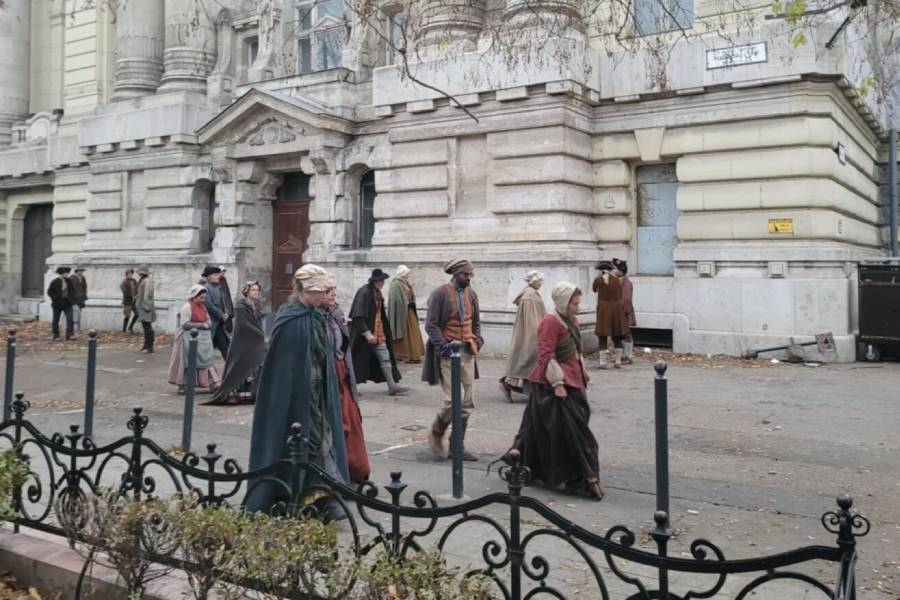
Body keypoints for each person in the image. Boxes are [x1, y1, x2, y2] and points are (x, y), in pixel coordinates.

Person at [246, 264, 348, 519]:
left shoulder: (317, 316)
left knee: (321, 442)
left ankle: (320, 497)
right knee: (298, 444)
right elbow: (282, 368)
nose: (325, 295)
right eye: (320, 291)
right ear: (305, 290)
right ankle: (293, 497)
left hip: (317, 394)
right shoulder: (290, 319)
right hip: (293, 397)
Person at [499, 282, 604, 500]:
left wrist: (582, 373)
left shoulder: (571, 320)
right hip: (551, 387)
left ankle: (527, 465)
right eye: (574, 303)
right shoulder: (550, 322)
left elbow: (576, 352)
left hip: (573, 381)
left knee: (543, 430)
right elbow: (546, 355)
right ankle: (577, 475)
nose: (578, 307)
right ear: (564, 302)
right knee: (567, 432)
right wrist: (557, 384)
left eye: (578, 303)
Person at [423, 258, 483, 461]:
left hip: (468, 352)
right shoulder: (439, 294)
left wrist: (478, 338)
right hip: (448, 354)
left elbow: (476, 322)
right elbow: (431, 325)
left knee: (467, 402)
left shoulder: (471, 294)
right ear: (456, 274)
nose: (469, 278)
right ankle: (437, 431)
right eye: (466, 274)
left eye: (470, 274)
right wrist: (443, 346)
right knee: (452, 401)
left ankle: (457, 446)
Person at [323, 280, 370, 483]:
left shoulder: (336, 313)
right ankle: (336, 475)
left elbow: (343, 345)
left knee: (350, 421)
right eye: (328, 290)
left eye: (334, 289)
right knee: (336, 424)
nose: (334, 294)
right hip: (328, 376)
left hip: (342, 373)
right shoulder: (315, 318)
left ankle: (355, 470)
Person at [349, 269, 408, 396]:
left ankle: (392, 386)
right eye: (379, 280)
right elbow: (358, 316)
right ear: (374, 281)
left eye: (382, 280)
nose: (381, 283)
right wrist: (367, 333)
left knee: (385, 357)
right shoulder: (364, 292)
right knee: (357, 362)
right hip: (362, 337)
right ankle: (351, 388)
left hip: (378, 333)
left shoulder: (377, 293)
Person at [207, 281, 266, 406]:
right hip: (243, 341)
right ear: (247, 292)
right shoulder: (241, 306)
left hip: (255, 342)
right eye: (253, 290)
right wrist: (258, 333)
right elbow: (243, 324)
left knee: (255, 364)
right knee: (240, 365)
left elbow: (258, 321)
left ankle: (251, 394)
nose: (256, 292)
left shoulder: (256, 305)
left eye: (257, 290)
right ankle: (235, 394)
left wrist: (259, 334)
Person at [499, 270, 546, 402]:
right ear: (533, 281)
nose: (541, 283)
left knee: (527, 361)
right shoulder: (530, 297)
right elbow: (532, 319)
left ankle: (521, 387)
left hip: (531, 332)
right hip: (531, 333)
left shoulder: (531, 294)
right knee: (528, 360)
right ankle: (510, 383)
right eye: (539, 281)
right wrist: (538, 333)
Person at [168, 285, 221, 395]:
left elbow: (208, 321)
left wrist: (207, 325)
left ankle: (212, 383)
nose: (203, 300)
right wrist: (202, 325)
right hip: (188, 338)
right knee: (187, 361)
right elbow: (185, 324)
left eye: (204, 298)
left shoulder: (202, 307)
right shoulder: (187, 307)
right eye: (201, 298)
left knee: (206, 360)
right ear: (194, 296)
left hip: (203, 339)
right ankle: (182, 385)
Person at [593, 260, 629, 369]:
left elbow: (594, 289)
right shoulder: (617, 280)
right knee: (617, 335)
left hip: (604, 309)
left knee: (602, 336)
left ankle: (603, 362)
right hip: (616, 309)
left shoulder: (598, 280)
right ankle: (618, 361)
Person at [387, 265, 425, 363]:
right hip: (402, 314)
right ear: (402, 273)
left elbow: (410, 295)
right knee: (404, 333)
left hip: (409, 313)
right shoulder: (396, 284)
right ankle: (401, 355)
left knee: (413, 333)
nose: (408, 275)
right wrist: (407, 303)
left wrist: (411, 301)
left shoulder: (406, 283)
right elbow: (396, 301)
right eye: (407, 273)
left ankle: (413, 354)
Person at [201, 266, 231, 360]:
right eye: (215, 275)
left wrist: (225, 313)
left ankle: (230, 367)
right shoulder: (205, 288)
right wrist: (221, 314)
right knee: (206, 348)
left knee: (224, 345)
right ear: (208, 276)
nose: (218, 277)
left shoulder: (217, 287)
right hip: (211, 322)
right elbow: (209, 305)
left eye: (218, 275)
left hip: (219, 323)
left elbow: (222, 302)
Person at [612, 258, 635, 365]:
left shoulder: (626, 283)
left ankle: (628, 356)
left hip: (623, 313)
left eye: (615, 268)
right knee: (620, 334)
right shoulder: (617, 281)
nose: (613, 270)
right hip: (618, 312)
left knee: (626, 334)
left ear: (621, 271)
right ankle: (622, 356)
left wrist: (621, 312)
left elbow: (626, 300)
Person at [47, 266, 77, 341]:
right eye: (66, 273)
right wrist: (55, 298)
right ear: (61, 273)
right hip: (57, 303)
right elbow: (49, 292)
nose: (67, 274)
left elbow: (73, 291)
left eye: (68, 273)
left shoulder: (69, 281)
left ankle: (69, 334)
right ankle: (56, 335)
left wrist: (72, 299)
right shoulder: (55, 281)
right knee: (56, 320)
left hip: (67, 303)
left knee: (70, 318)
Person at [135, 264, 156, 353]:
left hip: (145, 307)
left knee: (147, 327)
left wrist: (145, 306)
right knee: (146, 327)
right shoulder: (144, 280)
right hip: (143, 307)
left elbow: (147, 295)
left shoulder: (147, 281)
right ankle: (146, 345)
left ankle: (149, 346)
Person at [70, 266, 88, 332]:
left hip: (81, 299)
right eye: (80, 271)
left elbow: (85, 287)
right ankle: (72, 328)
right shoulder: (72, 278)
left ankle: (78, 328)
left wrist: (84, 296)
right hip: (74, 299)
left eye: (82, 271)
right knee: (75, 313)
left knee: (79, 313)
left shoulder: (83, 278)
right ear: (76, 271)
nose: (81, 272)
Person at [120, 268, 139, 333]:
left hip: (134, 302)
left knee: (137, 314)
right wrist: (132, 296)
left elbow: (137, 288)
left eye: (131, 273)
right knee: (127, 316)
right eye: (129, 273)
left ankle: (130, 327)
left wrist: (137, 294)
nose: (130, 274)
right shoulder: (124, 282)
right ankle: (124, 329)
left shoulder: (134, 281)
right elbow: (125, 292)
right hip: (127, 302)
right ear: (126, 274)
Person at [219, 267, 235, 336]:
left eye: (224, 272)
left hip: (227, 302)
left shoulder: (223, 279)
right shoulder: (216, 280)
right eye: (221, 271)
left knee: (228, 320)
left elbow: (227, 293)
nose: (223, 273)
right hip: (221, 305)